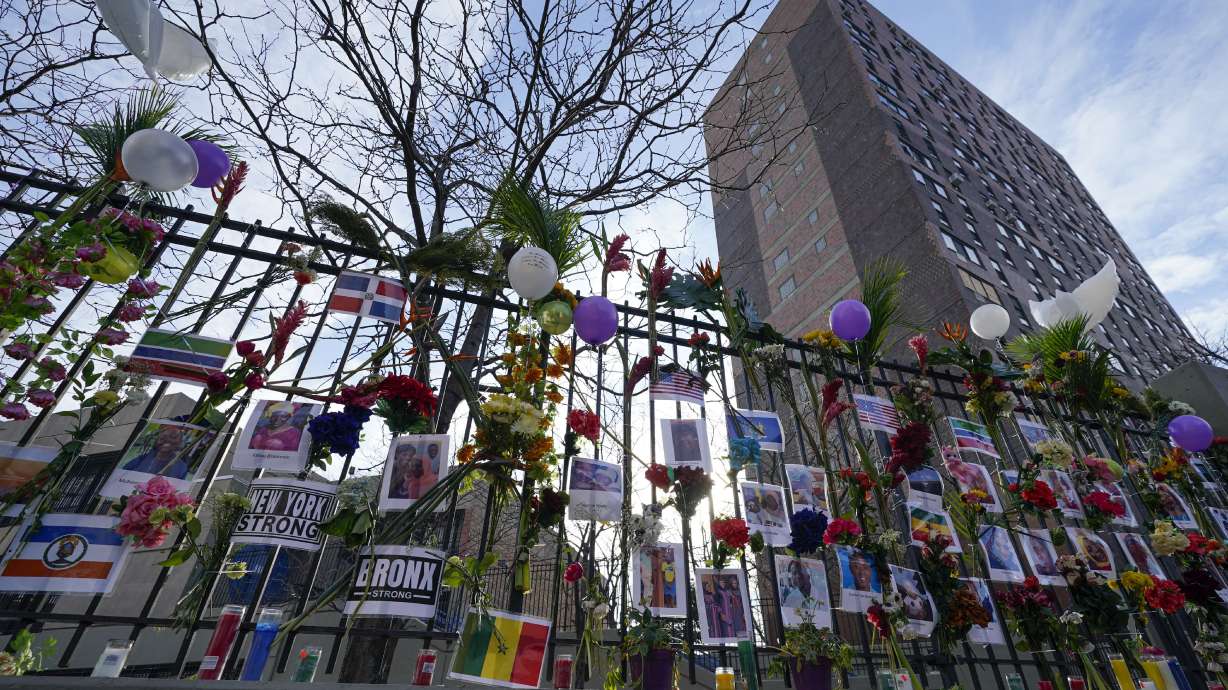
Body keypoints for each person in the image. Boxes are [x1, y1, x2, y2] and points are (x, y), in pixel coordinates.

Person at [123, 424, 195, 479]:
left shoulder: (181, 467)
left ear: (180, 443)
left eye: (173, 437)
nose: (167, 440)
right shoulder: (141, 459)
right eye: (163, 438)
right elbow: (123, 472)